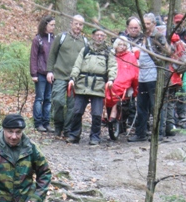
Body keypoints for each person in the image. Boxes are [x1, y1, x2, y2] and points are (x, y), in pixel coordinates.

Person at [66, 29, 117, 145]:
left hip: (98, 85)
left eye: (102, 35)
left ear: (105, 37)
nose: (99, 37)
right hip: (82, 84)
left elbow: (113, 67)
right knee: (77, 111)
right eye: (97, 35)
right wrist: (72, 78)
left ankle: (95, 136)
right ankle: (74, 135)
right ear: (93, 36)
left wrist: (111, 80)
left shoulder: (108, 52)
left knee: (97, 114)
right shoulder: (85, 50)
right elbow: (77, 65)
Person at [127, 13, 172, 143]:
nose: (146, 26)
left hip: (155, 76)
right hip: (143, 76)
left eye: (148, 24)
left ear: (153, 24)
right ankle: (140, 133)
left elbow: (168, 52)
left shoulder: (158, 36)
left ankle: (159, 134)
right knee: (141, 106)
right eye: (144, 24)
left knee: (155, 106)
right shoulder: (142, 37)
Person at [46, 15, 89, 137]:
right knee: (57, 101)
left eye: (80, 24)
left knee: (73, 106)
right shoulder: (61, 37)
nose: (78, 26)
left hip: (76, 78)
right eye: (76, 23)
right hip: (60, 75)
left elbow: (86, 60)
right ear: (71, 23)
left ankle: (67, 128)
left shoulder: (85, 42)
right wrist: (49, 71)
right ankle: (58, 125)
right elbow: (52, 54)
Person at [30, 16, 56, 132]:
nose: (53, 27)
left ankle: (47, 122)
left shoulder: (54, 39)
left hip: (51, 74)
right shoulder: (38, 39)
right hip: (40, 73)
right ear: (45, 25)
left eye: (54, 25)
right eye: (51, 25)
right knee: (39, 98)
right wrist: (34, 73)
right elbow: (33, 57)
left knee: (48, 99)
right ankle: (38, 122)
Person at [104, 38, 139, 122]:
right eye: (120, 44)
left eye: (124, 45)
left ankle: (114, 110)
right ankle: (104, 111)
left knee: (115, 86)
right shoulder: (111, 54)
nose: (122, 47)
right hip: (112, 75)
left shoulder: (130, 56)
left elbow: (133, 70)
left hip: (125, 78)